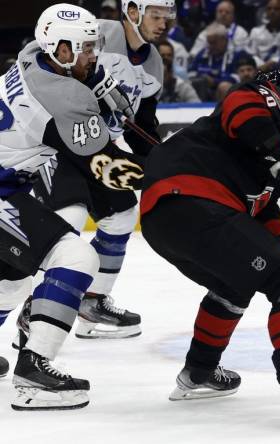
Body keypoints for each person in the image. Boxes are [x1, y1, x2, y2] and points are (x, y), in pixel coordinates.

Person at [139, 70, 280, 431]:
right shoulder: (250, 104)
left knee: (238, 282)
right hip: (195, 202)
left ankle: (198, 373)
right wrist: (279, 155)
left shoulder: (262, 177)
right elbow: (240, 107)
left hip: (166, 219)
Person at [0, 3, 144, 409]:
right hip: (3, 192)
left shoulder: (34, 54)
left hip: (8, 187)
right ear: (60, 50)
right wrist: (175, 173)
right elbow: (108, 165)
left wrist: (92, 78)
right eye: (83, 49)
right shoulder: (61, 97)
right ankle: (34, 371)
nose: (92, 55)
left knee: (12, 278)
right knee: (76, 256)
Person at [11, 0, 172, 347]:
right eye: (156, 13)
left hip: (81, 143)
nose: (163, 22)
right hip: (60, 151)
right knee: (66, 227)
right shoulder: (86, 49)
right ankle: (38, 307)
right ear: (132, 11)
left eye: (167, 14)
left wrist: (159, 155)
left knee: (122, 213)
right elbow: (104, 161)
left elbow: (140, 126)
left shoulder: (149, 62)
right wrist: (170, 174)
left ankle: (91, 302)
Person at [189, 22, 238, 101]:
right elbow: (191, 72)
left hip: (224, 92)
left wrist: (214, 82)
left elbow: (237, 78)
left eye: (213, 43)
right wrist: (201, 77)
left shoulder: (235, 55)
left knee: (224, 86)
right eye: (209, 43)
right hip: (203, 89)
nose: (210, 46)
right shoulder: (203, 54)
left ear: (224, 40)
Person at [247, 0, 280, 71]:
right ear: (265, 12)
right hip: (260, 69)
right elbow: (252, 54)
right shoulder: (255, 32)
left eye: (276, 9)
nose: (272, 12)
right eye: (269, 9)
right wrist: (261, 65)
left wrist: (272, 63)